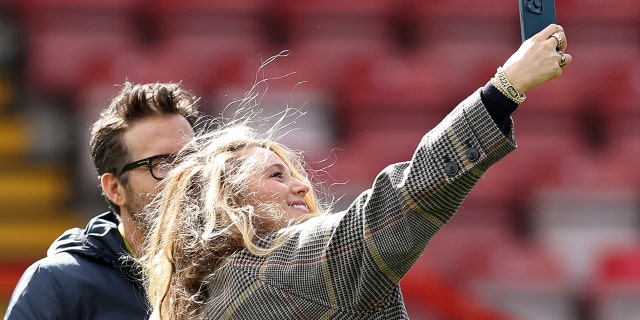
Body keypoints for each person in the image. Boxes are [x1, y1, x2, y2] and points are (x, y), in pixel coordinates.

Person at [140, 24, 572, 320]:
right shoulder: (274, 266)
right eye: (275, 175)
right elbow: (396, 206)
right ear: (229, 206)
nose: (301, 184)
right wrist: (505, 89)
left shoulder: (215, 296)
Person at [4, 82, 202, 320]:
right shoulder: (58, 284)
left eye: (194, 160)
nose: (185, 175)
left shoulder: (235, 273)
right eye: (161, 164)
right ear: (115, 188)